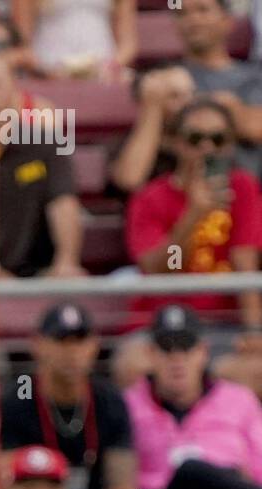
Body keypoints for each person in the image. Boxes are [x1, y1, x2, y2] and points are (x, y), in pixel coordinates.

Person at [0, 302, 136, 489]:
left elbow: (123, 483)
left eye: (80, 340)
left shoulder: (109, 399)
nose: (72, 351)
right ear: (38, 345)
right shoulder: (17, 399)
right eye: (61, 341)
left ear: (94, 345)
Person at [124, 305, 262, 489]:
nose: (177, 359)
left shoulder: (240, 399)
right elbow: (124, 479)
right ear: (151, 354)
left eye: (186, 347)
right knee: (191, 470)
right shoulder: (127, 404)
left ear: (203, 351)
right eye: (167, 349)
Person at [124, 98, 262, 332]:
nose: (206, 148)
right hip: (163, 323)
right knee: (132, 364)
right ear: (176, 142)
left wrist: (254, 332)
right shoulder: (150, 197)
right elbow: (166, 268)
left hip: (225, 324)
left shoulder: (243, 187)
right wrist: (194, 215)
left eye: (218, 139)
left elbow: (244, 262)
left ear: (229, 145)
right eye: (195, 139)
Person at [0, 47, 86, 278]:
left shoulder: (45, 145)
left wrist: (66, 261)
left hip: (38, 273)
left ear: (13, 86)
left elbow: (63, 202)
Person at [174, 0, 262, 174]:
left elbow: (255, 128)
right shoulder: (167, 77)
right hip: (186, 191)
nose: (193, 19)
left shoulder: (254, 77)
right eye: (182, 13)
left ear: (227, 20)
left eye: (203, 10)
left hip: (250, 190)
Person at [109, 63, 197, 196]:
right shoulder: (126, 143)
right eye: (174, 96)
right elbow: (130, 181)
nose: (188, 103)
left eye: (191, 93)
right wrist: (152, 109)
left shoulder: (205, 138)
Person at [9, 0, 137, 81]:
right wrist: (45, 71)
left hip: (105, 70)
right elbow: (22, 42)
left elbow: (128, 44)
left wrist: (111, 67)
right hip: (48, 70)